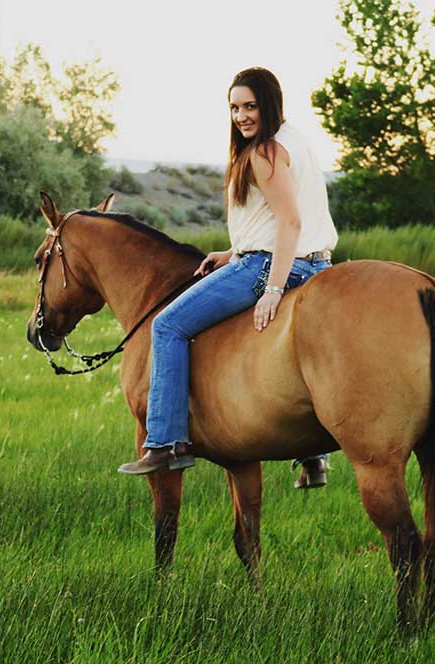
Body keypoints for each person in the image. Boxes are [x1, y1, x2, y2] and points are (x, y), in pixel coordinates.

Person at [118, 67, 338, 489]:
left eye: (250, 106)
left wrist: (273, 289)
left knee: (167, 325)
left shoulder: (264, 152)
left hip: (270, 266)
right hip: (317, 264)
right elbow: (279, 217)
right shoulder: (297, 140)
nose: (241, 116)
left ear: (269, 104)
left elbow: (289, 223)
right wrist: (232, 250)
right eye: (235, 107)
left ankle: (166, 443)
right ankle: (314, 454)